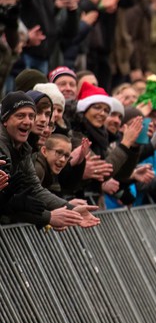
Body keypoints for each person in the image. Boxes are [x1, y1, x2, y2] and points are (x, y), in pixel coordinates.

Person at [0, 91, 99, 228]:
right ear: (5, 120)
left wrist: (70, 209)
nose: (28, 121)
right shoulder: (2, 146)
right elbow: (6, 202)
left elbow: (34, 189)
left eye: (31, 116)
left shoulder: (24, 148)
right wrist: (49, 217)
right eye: (20, 116)